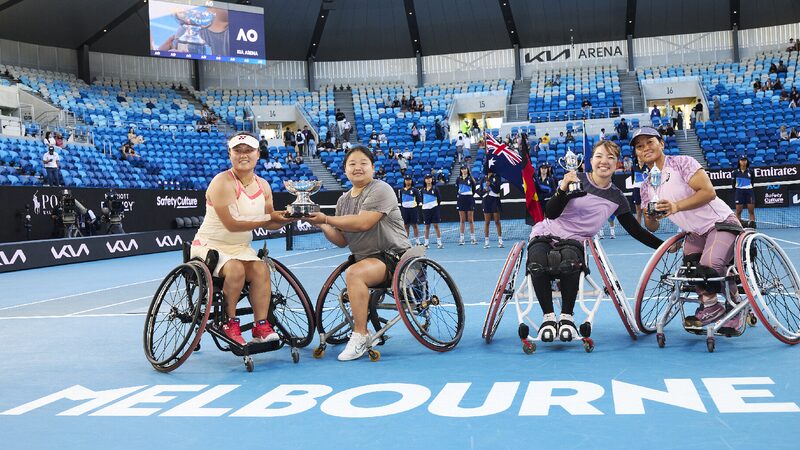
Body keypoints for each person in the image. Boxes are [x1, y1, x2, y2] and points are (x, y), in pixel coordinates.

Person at [527, 139, 663, 342]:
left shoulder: (617, 198)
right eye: (599, 156)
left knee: (569, 263)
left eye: (610, 158)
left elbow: (635, 230)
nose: (604, 161)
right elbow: (551, 213)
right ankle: (548, 318)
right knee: (536, 261)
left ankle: (566, 318)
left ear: (617, 163)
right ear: (591, 160)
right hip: (546, 232)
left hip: (575, 241)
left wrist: (663, 246)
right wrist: (563, 188)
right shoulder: (576, 179)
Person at [305, 146, 412, 361]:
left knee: (355, 274)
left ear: (372, 167)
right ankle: (361, 331)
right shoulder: (343, 201)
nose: (358, 167)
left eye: (363, 163)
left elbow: (364, 223)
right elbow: (342, 240)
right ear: (344, 170)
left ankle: (361, 334)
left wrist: (326, 219)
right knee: (356, 271)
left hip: (395, 258)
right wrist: (319, 223)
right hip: (365, 260)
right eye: (352, 164)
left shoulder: (381, 189)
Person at [190, 132, 295, 345]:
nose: (243, 155)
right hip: (210, 247)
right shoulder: (222, 182)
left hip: (240, 247)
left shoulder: (263, 185)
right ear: (230, 154)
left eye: (249, 150)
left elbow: (270, 223)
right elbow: (232, 223)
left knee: (261, 269)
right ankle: (229, 322)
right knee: (236, 268)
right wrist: (269, 217)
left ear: (258, 154)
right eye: (238, 150)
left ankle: (261, 326)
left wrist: (289, 218)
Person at [634, 126, 743, 331]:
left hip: (720, 223)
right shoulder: (646, 185)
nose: (645, 148)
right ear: (637, 153)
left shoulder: (682, 162)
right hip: (694, 233)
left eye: (650, 142)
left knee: (710, 265)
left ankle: (731, 306)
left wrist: (676, 207)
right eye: (640, 146)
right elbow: (653, 226)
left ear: (662, 144)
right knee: (692, 270)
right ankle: (712, 305)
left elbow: (708, 192)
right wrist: (649, 216)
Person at [455, 165, 478, 245]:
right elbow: (457, 189)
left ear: (467, 170)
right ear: (461, 170)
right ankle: (461, 239)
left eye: (465, 169)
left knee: (470, 220)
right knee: (462, 220)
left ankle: (473, 238)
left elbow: (474, 190)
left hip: (469, 199)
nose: (464, 170)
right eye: (462, 169)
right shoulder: (458, 179)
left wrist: (469, 195)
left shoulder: (471, 179)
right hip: (461, 199)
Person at [481, 169, 503, 248]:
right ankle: (486, 241)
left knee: (497, 221)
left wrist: (490, 185)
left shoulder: (497, 177)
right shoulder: (483, 178)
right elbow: (481, 191)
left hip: (495, 200)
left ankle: (500, 240)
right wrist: (485, 190)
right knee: (487, 221)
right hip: (486, 201)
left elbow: (497, 190)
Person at [732, 155, 756, 228]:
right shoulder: (735, 172)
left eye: (745, 160)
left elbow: (752, 181)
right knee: (738, 211)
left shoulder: (751, 171)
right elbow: (733, 184)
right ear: (739, 162)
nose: (743, 162)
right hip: (739, 192)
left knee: (751, 211)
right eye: (742, 160)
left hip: (749, 191)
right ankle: (738, 227)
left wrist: (748, 187)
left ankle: (752, 227)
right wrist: (739, 189)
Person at [420, 174, 443, 249]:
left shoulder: (435, 188)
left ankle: (439, 242)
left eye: (429, 178)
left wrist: (435, 205)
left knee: (436, 225)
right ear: (425, 180)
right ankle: (426, 243)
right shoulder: (422, 190)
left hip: (434, 209)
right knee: (427, 226)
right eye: (426, 178)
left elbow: (439, 199)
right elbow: (421, 199)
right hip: (425, 210)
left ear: (432, 179)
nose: (428, 180)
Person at [398, 175, 422, 246]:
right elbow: (400, 200)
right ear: (404, 181)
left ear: (411, 181)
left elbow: (419, 200)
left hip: (413, 210)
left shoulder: (415, 190)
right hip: (405, 210)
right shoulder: (401, 190)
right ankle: (406, 241)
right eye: (406, 180)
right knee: (406, 226)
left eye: (409, 180)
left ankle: (417, 241)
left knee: (415, 225)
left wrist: (414, 206)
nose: (408, 181)